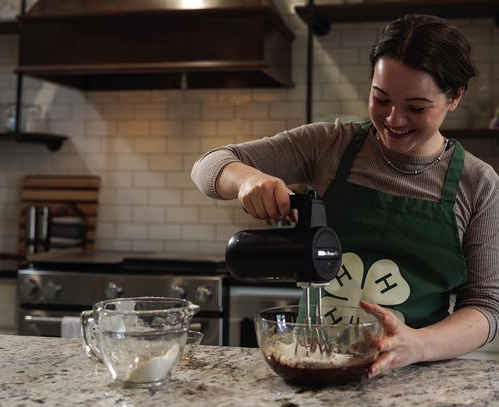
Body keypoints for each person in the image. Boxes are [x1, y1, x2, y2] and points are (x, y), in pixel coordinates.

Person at [191, 14, 499, 378]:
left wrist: (416, 344)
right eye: (380, 98)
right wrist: (246, 180)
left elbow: (486, 307)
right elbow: (208, 167)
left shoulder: (478, 183)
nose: (394, 120)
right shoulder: (330, 145)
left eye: (416, 107)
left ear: (455, 96)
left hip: (417, 378)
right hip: (314, 365)